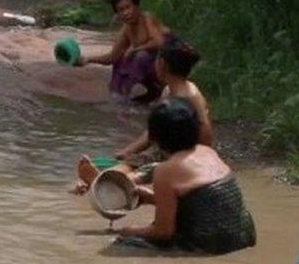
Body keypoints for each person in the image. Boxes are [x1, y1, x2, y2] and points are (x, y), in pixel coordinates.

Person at [112, 98, 256, 254]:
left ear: (154, 138)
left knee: (124, 243)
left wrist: (130, 230)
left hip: (208, 245)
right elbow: (204, 202)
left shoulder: (164, 171)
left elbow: (163, 233)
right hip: (244, 236)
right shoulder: (209, 153)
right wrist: (153, 199)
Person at [72, 38, 214, 193]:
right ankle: (97, 180)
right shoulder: (168, 90)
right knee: (128, 163)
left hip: (184, 155)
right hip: (165, 149)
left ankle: (102, 182)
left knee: (140, 173)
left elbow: (206, 139)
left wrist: (186, 165)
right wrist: (129, 150)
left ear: (162, 64)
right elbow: (154, 130)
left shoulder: (190, 96)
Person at [76, 0, 172, 103]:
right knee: (121, 59)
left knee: (140, 56)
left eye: (128, 7)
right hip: (150, 70)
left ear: (136, 6)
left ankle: (132, 90)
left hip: (167, 68)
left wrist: (135, 50)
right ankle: (118, 94)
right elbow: (113, 57)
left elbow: (159, 42)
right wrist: (88, 59)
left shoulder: (147, 18)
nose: (125, 13)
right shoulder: (126, 29)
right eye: (121, 10)